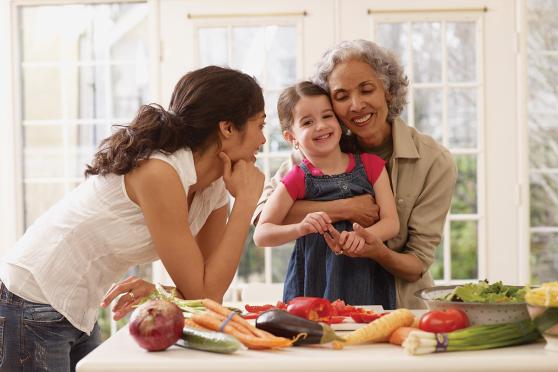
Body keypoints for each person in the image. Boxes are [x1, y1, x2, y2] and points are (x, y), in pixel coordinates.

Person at [0, 65, 266, 371]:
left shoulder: (214, 186)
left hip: (76, 306)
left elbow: (208, 293)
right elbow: (202, 292)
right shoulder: (160, 172)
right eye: (260, 125)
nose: (263, 140)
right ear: (228, 128)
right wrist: (246, 203)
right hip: (33, 297)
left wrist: (158, 291)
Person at [253, 39, 457, 310]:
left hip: (395, 304)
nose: (356, 105)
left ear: (388, 91)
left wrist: (377, 249)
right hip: (314, 290)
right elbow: (264, 219)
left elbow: (415, 263)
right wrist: (345, 208)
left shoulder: (434, 161)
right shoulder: (314, 150)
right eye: (341, 96)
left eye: (367, 90)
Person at [253, 81, 399, 307]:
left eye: (327, 116)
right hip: (312, 284)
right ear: (291, 137)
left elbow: (391, 223)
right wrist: (301, 227)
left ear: (339, 122)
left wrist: (363, 236)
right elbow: (261, 234)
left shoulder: (373, 166)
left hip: (367, 279)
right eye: (308, 122)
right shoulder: (296, 178)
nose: (321, 126)